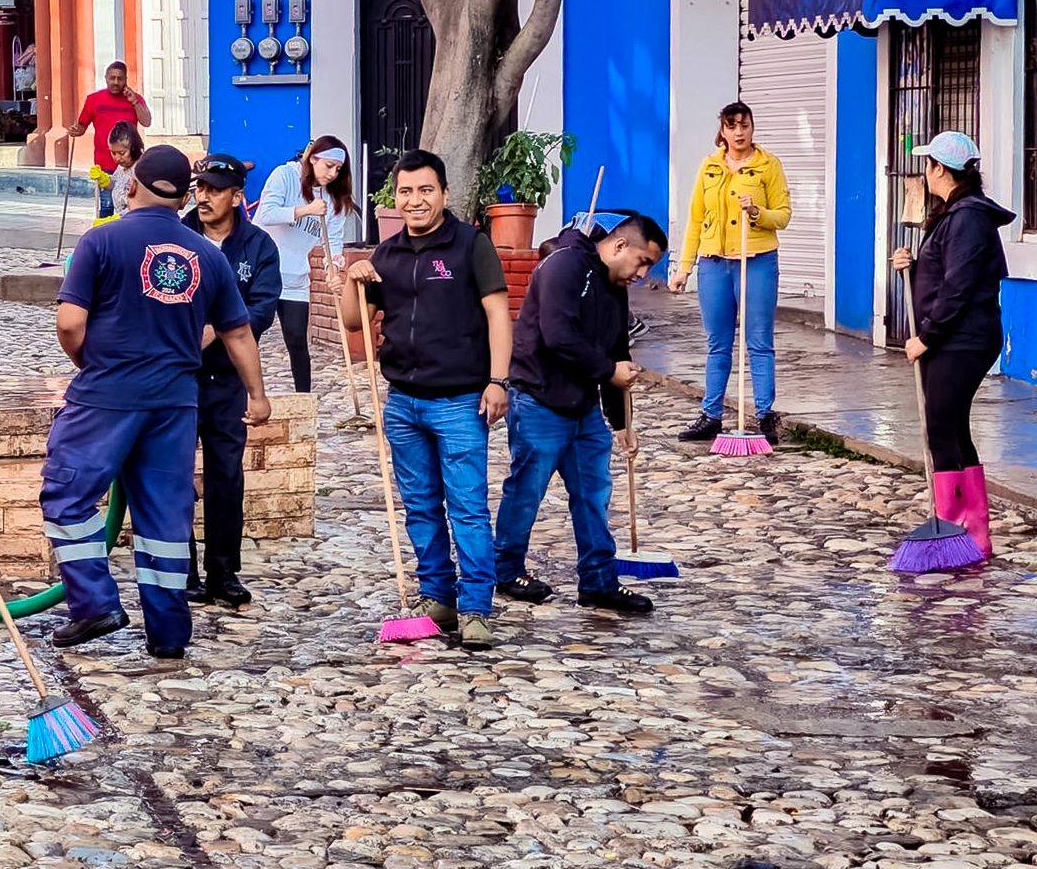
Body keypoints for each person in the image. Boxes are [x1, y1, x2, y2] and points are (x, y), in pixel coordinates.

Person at [42, 146, 272, 659]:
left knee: (67, 493)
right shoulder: (208, 256)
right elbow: (238, 333)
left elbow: (69, 323)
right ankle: (168, 635)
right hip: (176, 402)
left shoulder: (101, 240)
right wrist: (257, 396)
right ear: (184, 197)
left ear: (131, 186)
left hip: (107, 396)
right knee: (166, 516)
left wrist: (87, 362)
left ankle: (94, 603)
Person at [336, 149, 511, 651]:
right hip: (403, 403)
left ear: (445, 194)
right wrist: (354, 277)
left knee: (468, 508)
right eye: (406, 191)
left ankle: (476, 607)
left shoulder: (470, 245)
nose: (415, 200)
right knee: (419, 507)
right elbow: (353, 321)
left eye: (426, 190)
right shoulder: (387, 255)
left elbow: (498, 315)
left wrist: (499, 381)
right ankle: (437, 596)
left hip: (460, 401)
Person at [494, 212, 668, 616]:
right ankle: (506, 571)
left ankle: (599, 581)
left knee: (593, 494)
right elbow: (559, 337)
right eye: (643, 262)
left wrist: (621, 423)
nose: (643, 275)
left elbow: (617, 351)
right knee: (526, 491)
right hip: (538, 398)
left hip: (584, 407)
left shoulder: (615, 285)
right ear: (620, 246)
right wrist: (608, 371)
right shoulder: (564, 266)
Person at [891, 131, 1009, 559]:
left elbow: (959, 287)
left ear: (940, 169)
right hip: (956, 339)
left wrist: (926, 338)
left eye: (928, 165)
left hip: (963, 341)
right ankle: (972, 532)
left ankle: (957, 526)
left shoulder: (967, 218)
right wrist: (911, 265)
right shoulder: (954, 214)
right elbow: (945, 273)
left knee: (941, 425)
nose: (925, 173)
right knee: (952, 426)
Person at [182, 153, 282, 607]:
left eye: (215, 190)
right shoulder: (178, 235)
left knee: (226, 474)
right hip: (180, 376)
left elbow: (263, 308)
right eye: (200, 188)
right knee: (174, 475)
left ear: (237, 197)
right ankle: (181, 570)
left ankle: (223, 570)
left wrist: (220, 327)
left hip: (227, 376)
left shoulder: (258, 246)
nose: (204, 197)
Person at [669, 101, 791, 445]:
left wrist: (756, 212)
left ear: (752, 128)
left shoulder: (768, 165)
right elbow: (695, 220)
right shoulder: (709, 167)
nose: (739, 132)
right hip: (714, 263)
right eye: (731, 126)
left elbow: (783, 215)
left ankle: (765, 415)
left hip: (756, 260)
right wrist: (684, 268)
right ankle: (711, 415)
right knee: (717, 342)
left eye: (744, 125)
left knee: (759, 341)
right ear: (722, 130)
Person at [254, 136, 358, 393]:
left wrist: (333, 268)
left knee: (297, 339)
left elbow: (332, 241)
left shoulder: (333, 200)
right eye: (329, 166)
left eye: (338, 169)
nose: (333, 174)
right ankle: (243, 395)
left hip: (295, 275)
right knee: (249, 334)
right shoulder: (285, 175)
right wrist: (306, 209)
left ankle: (305, 398)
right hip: (260, 271)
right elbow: (266, 213)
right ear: (313, 159)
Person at [70, 61, 153, 218]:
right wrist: (75, 130)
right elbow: (82, 126)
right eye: (112, 78)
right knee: (107, 207)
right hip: (105, 164)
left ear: (126, 79)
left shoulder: (135, 99)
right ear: (106, 78)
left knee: (131, 207)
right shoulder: (93, 99)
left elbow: (147, 122)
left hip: (131, 165)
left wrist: (134, 102)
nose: (116, 82)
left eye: (120, 78)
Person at [106, 121, 145, 219]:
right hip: (122, 220)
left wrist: (119, 218)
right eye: (113, 153)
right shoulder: (122, 166)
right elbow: (116, 185)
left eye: (122, 153)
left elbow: (142, 203)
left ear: (133, 148)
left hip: (136, 220)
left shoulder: (142, 168)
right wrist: (105, 181)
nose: (117, 158)